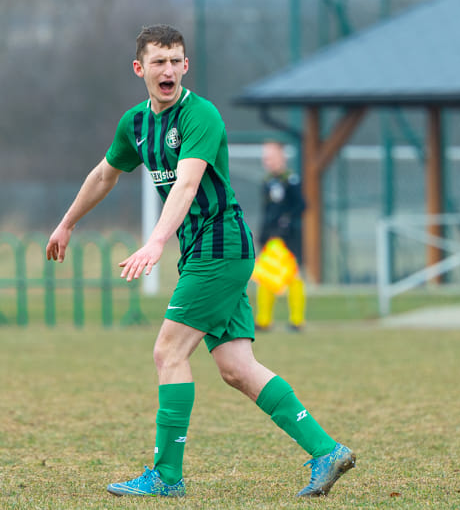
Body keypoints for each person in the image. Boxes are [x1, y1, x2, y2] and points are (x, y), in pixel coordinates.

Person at [45, 25, 354, 498]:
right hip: (201, 251)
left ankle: (166, 477)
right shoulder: (135, 123)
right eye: (158, 62)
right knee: (236, 366)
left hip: (220, 246)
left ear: (185, 66)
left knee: (168, 352)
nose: (167, 70)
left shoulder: (200, 116)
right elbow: (106, 174)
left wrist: (154, 243)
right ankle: (326, 451)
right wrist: (67, 223)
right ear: (140, 69)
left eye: (175, 61)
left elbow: (187, 186)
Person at [254, 141, 306, 332]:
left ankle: (297, 320)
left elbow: (301, 205)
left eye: (270, 156)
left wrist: (287, 220)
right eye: (265, 157)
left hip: (288, 237)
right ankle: (264, 320)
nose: (266, 161)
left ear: (281, 157)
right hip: (270, 237)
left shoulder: (291, 180)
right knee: (265, 276)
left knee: (292, 275)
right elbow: (266, 210)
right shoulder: (267, 182)